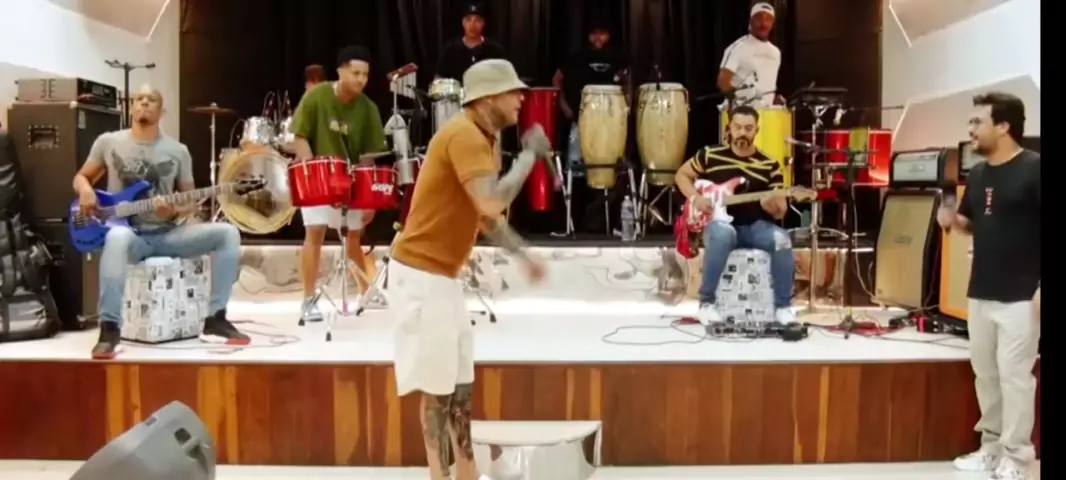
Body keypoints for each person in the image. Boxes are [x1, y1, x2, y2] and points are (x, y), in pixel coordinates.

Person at [389, 59, 550, 480]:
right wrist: (528, 157)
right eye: (513, 92)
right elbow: (491, 202)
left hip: (441, 278)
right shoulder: (463, 135)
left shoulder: (482, 138)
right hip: (421, 277)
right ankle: (440, 476)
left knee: (460, 387)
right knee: (438, 392)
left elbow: (485, 218)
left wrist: (523, 255)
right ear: (487, 98)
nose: (521, 99)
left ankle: (467, 472)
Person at [73, 86, 249, 360]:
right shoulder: (108, 142)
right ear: (131, 107)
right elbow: (81, 177)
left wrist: (173, 212)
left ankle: (216, 317)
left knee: (228, 233)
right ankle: (109, 328)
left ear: (161, 110)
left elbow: (190, 200)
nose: (144, 103)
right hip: (129, 236)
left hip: (168, 235)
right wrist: (85, 190)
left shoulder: (178, 151)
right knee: (117, 238)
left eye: (151, 99)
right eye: (139, 99)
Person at [938, 92, 1040, 480]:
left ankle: (1018, 457)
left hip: (1022, 295)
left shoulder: (1034, 168)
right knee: (986, 374)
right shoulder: (979, 174)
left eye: (977, 122)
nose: (970, 130)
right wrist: (951, 218)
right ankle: (992, 448)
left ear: (1003, 126)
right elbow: (971, 222)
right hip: (981, 290)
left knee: (1015, 378)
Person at [289, 45, 389, 323]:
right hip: (318, 177)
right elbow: (299, 136)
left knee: (353, 237)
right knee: (315, 232)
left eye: (365, 74)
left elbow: (369, 157)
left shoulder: (368, 109)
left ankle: (366, 290)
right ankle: (308, 299)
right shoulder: (317, 97)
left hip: (350, 180)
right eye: (355, 73)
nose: (361, 79)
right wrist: (311, 171)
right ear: (340, 71)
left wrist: (369, 198)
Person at [674, 106, 794, 325]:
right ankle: (706, 304)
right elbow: (682, 175)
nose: (742, 133)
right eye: (738, 127)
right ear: (729, 128)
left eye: (748, 128)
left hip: (755, 227)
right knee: (723, 234)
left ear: (756, 130)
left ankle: (784, 308)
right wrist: (696, 198)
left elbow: (781, 210)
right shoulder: (710, 154)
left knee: (782, 239)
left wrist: (773, 207)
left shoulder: (770, 164)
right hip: (718, 225)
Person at [552, 21, 629, 230]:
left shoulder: (618, 58)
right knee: (576, 171)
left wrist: (627, 106)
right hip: (581, 121)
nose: (598, 38)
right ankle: (574, 222)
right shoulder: (577, 58)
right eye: (594, 33)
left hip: (612, 124)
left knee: (611, 171)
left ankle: (606, 221)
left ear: (609, 36)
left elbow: (628, 83)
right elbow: (557, 79)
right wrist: (564, 106)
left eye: (602, 33)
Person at [717, 2, 784, 108]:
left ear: (773, 23)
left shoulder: (776, 52)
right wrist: (739, 104)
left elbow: (765, 85)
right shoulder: (738, 47)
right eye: (759, 18)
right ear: (751, 21)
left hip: (766, 114)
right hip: (739, 114)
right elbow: (723, 81)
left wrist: (774, 98)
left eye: (768, 19)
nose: (763, 24)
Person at [435, 3, 507, 82]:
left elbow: (505, 79)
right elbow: (438, 80)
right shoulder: (450, 50)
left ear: (483, 23)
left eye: (477, 20)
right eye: (468, 19)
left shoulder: (495, 50)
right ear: (463, 22)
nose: (472, 25)